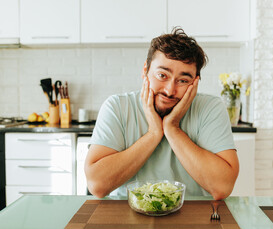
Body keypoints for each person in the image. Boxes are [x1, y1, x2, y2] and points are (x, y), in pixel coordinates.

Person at [85, 27, 239, 200]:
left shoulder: (210, 108)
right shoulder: (117, 107)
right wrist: (153, 134)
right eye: (162, 75)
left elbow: (223, 187)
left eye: (183, 80)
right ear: (145, 70)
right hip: (127, 216)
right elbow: (97, 185)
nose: (169, 90)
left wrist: (172, 129)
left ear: (195, 82)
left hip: (193, 217)